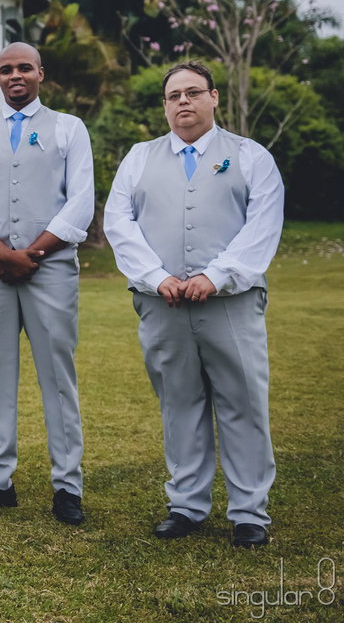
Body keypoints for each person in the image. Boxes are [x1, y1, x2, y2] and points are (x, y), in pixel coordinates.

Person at [104, 61, 284, 548]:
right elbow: (119, 223)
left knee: (243, 403)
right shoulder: (139, 158)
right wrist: (156, 276)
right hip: (162, 305)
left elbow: (263, 225)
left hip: (232, 304)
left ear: (214, 97)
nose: (183, 102)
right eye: (173, 96)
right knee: (179, 403)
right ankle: (186, 505)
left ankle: (249, 512)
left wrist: (216, 275)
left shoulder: (250, 156)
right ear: (164, 105)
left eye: (192, 92)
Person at [0, 42, 94, 525]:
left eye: (23, 68)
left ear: (40, 73)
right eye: (5, 69)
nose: (15, 76)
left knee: (57, 375)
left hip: (49, 268)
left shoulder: (69, 129)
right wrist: (3, 253)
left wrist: (30, 254)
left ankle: (67, 486)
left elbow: (80, 203)